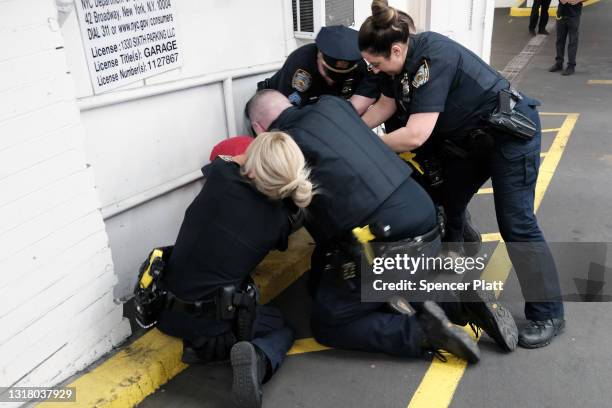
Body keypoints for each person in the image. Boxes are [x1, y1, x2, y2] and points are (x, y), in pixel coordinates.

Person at [247, 89, 519, 364]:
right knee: (374, 281)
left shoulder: (284, 149)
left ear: (258, 129)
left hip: (387, 241)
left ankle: (421, 333)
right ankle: (459, 301)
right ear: (289, 103)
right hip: (426, 218)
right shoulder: (333, 106)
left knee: (330, 322)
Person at [357, 0, 565, 348]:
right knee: (445, 202)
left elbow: (416, 133)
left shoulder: (432, 57)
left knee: (516, 223)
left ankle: (548, 313)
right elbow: (385, 106)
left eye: (375, 63)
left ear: (395, 48)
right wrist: (351, 133)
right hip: (473, 143)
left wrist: (364, 148)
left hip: (511, 136)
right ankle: (455, 278)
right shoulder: (399, 65)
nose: (373, 70)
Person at [155, 132, 314, 408]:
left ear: (252, 165)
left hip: (164, 309)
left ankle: (202, 350)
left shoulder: (220, 176)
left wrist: (250, 158)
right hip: (213, 329)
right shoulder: (279, 222)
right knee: (280, 325)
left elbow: (225, 157)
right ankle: (260, 360)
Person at [257, 25, 379, 115]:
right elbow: (288, 114)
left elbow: (360, 103)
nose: (332, 82)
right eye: (328, 74)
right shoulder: (302, 64)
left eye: (340, 78)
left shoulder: (358, 66)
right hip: (273, 111)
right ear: (320, 56)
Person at [549, 0, 585, 76]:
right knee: (560, 40)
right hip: (561, 13)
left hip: (574, 15)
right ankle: (559, 63)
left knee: (573, 41)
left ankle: (571, 66)